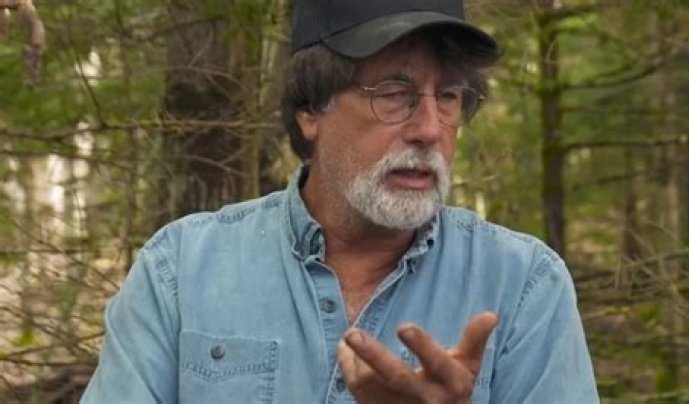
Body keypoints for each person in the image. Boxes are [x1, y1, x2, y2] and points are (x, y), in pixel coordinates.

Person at [81, 0, 599, 403]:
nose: (429, 129)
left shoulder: (523, 286)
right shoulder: (181, 272)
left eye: (448, 96)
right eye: (393, 93)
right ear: (311, 109)